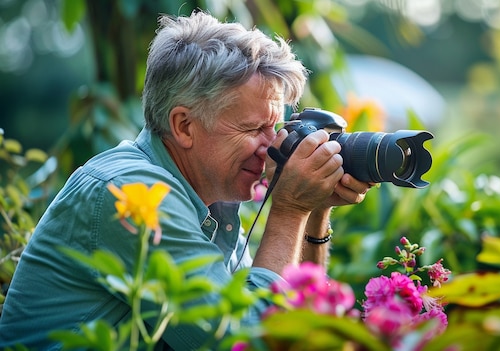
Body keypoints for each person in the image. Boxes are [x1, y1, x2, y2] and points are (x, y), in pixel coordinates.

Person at [0, 10, 373, 350]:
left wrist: (315, 211)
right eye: (253, 128)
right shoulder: (132, 193)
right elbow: (248, 341)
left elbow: (297, 327)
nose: (271, 145)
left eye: (273, 126)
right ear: (184, 126)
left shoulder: (209, 202)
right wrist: (290, 210)